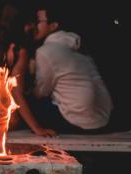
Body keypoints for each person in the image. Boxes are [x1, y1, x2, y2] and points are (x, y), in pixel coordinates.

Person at [11, 4, 113, 137]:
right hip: (103, 119)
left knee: (18, 99)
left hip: (78, 121)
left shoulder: (47, 51)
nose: (33, 26)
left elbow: (40, 92)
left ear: (53, 26)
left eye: (38, 21)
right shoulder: (75, 45)